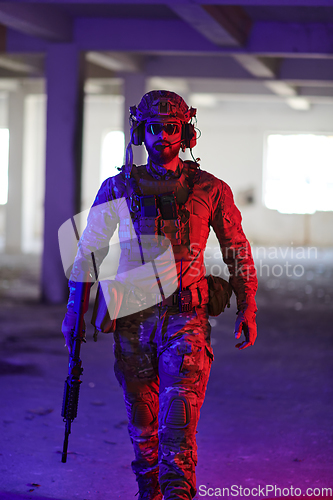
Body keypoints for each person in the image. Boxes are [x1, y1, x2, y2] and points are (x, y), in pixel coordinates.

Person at [62, 90, 258, 500]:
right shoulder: (118, 187)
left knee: (177, 429)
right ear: (141, 131)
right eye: (154, 127)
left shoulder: (211, 189)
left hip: (185, 322)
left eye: (172, 128)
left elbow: (236, 248)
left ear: (185, 132)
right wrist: (73, 314)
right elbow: (89, 253)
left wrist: (248, 305)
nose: (163, 136)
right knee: (144, 430)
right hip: (132, 325)